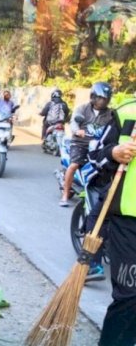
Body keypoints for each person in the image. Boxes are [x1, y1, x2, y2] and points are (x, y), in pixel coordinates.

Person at [88, 120, 136, 341]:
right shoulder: (127, 113)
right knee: (130, 297)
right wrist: (114, 152)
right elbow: (94, 155)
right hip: (128, 222)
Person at [60, 82, 119, 207]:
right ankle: (65, 195)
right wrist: (77, 131)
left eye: (105, 99)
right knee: (74, 165)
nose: (103, 101)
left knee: (108, 166)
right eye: (100, 98)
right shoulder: (82, 109)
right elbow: (74, 122)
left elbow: (116, 127)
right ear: (93, 96)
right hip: (81, 143)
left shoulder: (110, 114)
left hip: (98, 145)